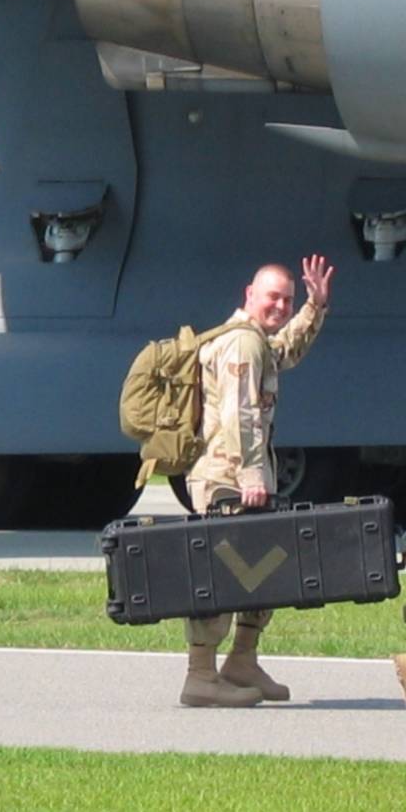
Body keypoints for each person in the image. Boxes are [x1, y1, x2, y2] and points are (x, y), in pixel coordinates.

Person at [180, 255, 334, 708]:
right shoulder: (243, 345)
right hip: (227, 479)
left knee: (263, 569)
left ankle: (242, 661)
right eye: (273, 297)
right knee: (223, 575)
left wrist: (315, 307)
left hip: (242, 477)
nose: (280, 306)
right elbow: (240, 413)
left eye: (287, 300)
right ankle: (201, 675)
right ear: (249, 294)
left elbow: (284, 351)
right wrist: (251, 473)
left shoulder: (256, 343)